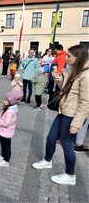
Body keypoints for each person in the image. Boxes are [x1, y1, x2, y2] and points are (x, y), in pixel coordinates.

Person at [32, 44, 89, 186]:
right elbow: (65, 88)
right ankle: (47, 161)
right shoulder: (72, 69)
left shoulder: (86, 75)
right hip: (63, 110)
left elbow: (86, 102)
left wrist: (77, 123)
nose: (66, 58)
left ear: (78, 57)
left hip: (73, 114)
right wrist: (58, 79)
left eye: (69, 56)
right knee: (51, 137)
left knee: (67, 144)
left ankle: (70, 175)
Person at [0, 90, 23, 167]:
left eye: (5, 99)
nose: (3, 100)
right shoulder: (7, 108)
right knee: (3, 144)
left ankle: (6, 160)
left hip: (6, 132)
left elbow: (6, 123)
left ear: (10, 102)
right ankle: (3, 156)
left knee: (6, 146)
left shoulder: (10, 112)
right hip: (3, 131)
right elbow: (2, 117)